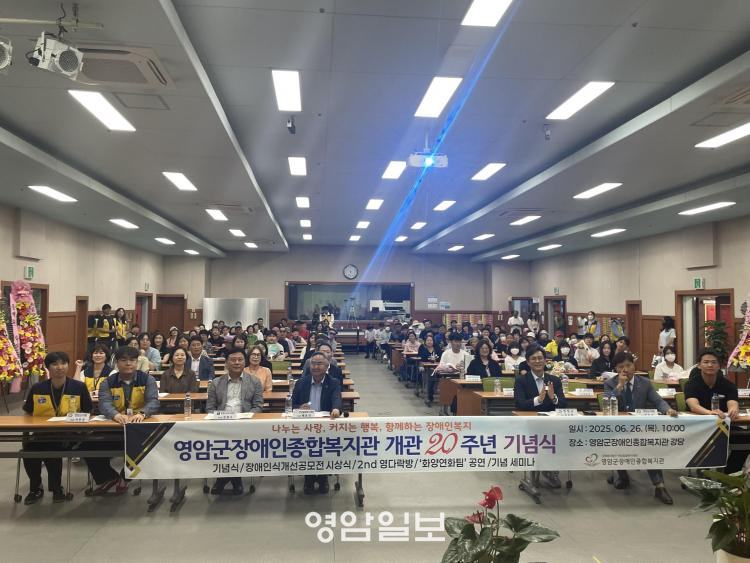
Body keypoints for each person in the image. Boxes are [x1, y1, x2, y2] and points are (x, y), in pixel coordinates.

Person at [603, 352, 677, 504]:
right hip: (618, 428)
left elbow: (658, 401)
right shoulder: (610, 383)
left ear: (634, 366)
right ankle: (622, 476)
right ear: (616, 369)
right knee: (617, 443)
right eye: (621, 367)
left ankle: (660, 487)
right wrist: (619, 386)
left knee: (650, 446)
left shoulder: (644, 383)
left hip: (640, 427)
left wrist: (668, 410)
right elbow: (606, 402)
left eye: (628, 365)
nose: (625, 369)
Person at [22, 352, 93, 504]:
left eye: (63, 363)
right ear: (48, 367)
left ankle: (56, 488)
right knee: (28, 450)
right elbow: (28, 412)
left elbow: (88, 410)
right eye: (55, 364)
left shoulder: (78, 387)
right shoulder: (38, 387)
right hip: (43, 433)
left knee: (52, 448)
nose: (60, 367)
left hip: (71, 434)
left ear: (68, 365)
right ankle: (36, 488)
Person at [93, 346, 160, 494]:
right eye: (123, 360)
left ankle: (125, 478)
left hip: (140, 428)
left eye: (132, 360)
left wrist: (142, 413)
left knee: (146, 446)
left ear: (137, 362)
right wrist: (115, 415)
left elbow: (153, 402)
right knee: (89, 446)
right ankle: (109, 477)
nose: (128, 363)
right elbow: (104, 403)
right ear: (117, 363)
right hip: (114, 428)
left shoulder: (147, 379)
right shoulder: (108, 382)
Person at [207, 349, 264, 495]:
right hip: (221, 424)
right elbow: (210, 408)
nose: (237, 363)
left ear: (245, 362)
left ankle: (224, 479)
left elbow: (258, 406)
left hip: (245, 424)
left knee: (235, 442)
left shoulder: (255, 382)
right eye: (233, 360)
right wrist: (218, 419)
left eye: (240, 360)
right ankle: (235, 479)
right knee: (224, 442)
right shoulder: (215, 383)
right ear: (226, 363)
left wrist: (246, 418)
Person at [513, 345, 567, 487]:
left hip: (551, 424)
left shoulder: (554, 380)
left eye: (540, 358)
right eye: (533, 359)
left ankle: (550, 470)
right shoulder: (521, 380)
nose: (537, 361)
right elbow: (520, 404)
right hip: (530, 423)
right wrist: (538, 399)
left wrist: (553, 398)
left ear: (545, 361)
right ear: (528, 362)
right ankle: (537, 471)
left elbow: (563, 404)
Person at [685, 348, 745, 473]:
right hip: (699, 427)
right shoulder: (691, 384)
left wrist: (733, 410)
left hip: (722, 426)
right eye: (706, 362)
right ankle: (703, 473)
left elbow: (733, 403)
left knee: (745, 439)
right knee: (708, 441)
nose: (710, 365)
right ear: (699, 365)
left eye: (714, 362)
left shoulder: (728, 385)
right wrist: (709, 413)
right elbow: (693, 405)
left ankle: (729, 474)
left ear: (719, 366)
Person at [291, 352, 342, 494]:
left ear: (327, 366)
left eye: (319, 364)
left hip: (325, 428)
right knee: (307, 448)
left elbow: (337, 399)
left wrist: (336, 409)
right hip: (304, 427)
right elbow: (292, 405)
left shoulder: (333, 382)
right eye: (313, 363)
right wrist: (299, 408)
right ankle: (309, 477)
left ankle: (322, 477)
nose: (315, 366)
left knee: (323, 448)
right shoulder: (301, 382)